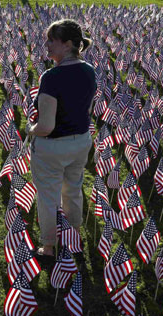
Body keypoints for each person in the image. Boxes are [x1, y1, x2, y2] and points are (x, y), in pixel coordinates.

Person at [25, 19, 96, 256]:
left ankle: (49, 246)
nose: (46, 45)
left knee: (48, 197)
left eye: (51, 40)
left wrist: (30, 129)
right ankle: (72, 237)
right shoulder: (89, 71)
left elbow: (46, 126)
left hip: (53, 147)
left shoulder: (52, 77)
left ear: (67, 44)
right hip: (81, 141)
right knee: (73, 190)